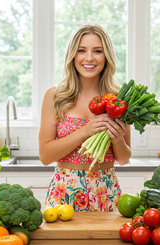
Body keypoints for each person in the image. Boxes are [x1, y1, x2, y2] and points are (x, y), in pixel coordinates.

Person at [38, 25, 131, 212]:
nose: (89, 58)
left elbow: (124, 158)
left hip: (106, 190)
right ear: (73, 55)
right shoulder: (55, 96)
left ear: (106, 57)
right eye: (82, 50)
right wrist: (85, 132)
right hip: (64, 191)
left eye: (97, 51)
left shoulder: (118, 98)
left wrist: (118, 139)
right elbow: (45, 156)